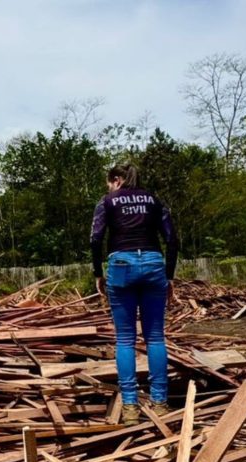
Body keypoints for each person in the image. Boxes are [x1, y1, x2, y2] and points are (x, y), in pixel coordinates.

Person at [90, 163, 179, 426]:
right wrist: (170, 275)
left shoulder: (107, 202)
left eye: (109, 182)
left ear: (116, 180)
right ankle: (160, 402)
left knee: (125, 340)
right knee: (155, 337)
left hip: (121, 266)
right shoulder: (153, 200)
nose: (109, 187)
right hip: (153, 265)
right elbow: (172, 239)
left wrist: (98, 273)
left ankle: (130, 407)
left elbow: (95, 238)